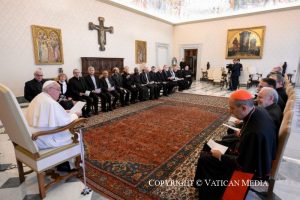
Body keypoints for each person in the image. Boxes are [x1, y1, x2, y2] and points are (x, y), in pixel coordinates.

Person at [194, 89, 276, 199]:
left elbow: (242, 165)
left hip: (251, 171)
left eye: (232, 108)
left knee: (205, 159)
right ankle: (201, 186)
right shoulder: (257, 110)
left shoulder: (254, 133)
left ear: (244, 108)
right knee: (209, 144)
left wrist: (220, 156)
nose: (230, 111)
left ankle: (208, 194)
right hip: (247, 154)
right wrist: (241, 133)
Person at [25, 81, 80, 150]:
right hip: (45, 138)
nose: (60, 93)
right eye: (58, 90)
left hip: (32, 135)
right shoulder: (51, 103)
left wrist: (63, 112)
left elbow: (45, 114)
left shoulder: (39, 97)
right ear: (50, 89)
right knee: (78, 136)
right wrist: (75, 115)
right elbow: (66, 122)